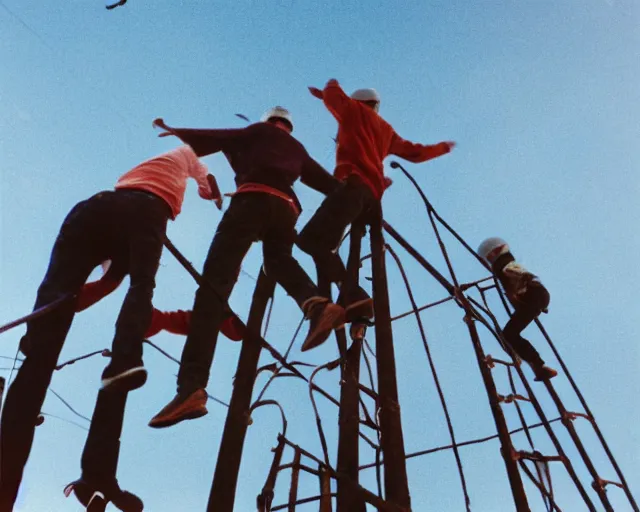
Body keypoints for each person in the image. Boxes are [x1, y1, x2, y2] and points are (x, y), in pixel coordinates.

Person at [0, 145, 218, 511]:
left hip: (92, 209)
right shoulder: (184, 156)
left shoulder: (116, 229)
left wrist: (51, 317)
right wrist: (209, 190)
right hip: (146, 209)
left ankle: (12, 480)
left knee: (39, 359)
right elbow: (203, 174)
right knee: (141, 291)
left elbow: (98, 288)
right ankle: (123, 361)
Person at [148, 107, 345, 429]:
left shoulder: (257, 131)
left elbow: (222, 137)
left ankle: (191, 389)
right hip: (287, 208)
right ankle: (317, 304)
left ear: (270, 123)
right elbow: (329, 185)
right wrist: (357, 195)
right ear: (289, 127)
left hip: (251, 201)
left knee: (213, 289)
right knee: (279, 260)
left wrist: (177, 130)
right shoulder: (297, 149)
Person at [297, 79, 456, 350]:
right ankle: (354, 314)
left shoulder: (351, 110)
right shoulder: (385, 129)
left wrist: (328, 88)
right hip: (372, 199)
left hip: (353, 187)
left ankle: (351, 296)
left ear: (357, 102)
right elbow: (416, 154)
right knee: (334, 248)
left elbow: (335, 96)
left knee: (310, 241)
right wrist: (443, 147)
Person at [477, 237, 558, 381]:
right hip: (535, 297)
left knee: (509, 334)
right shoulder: (507, 263)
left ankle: (539, 365)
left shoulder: (503, 265)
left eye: (489, 256)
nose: (489, 261)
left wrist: (516, 291)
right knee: (510, 333)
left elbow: (518, 276)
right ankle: (538, 365)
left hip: (533, 297)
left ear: (496, 252)